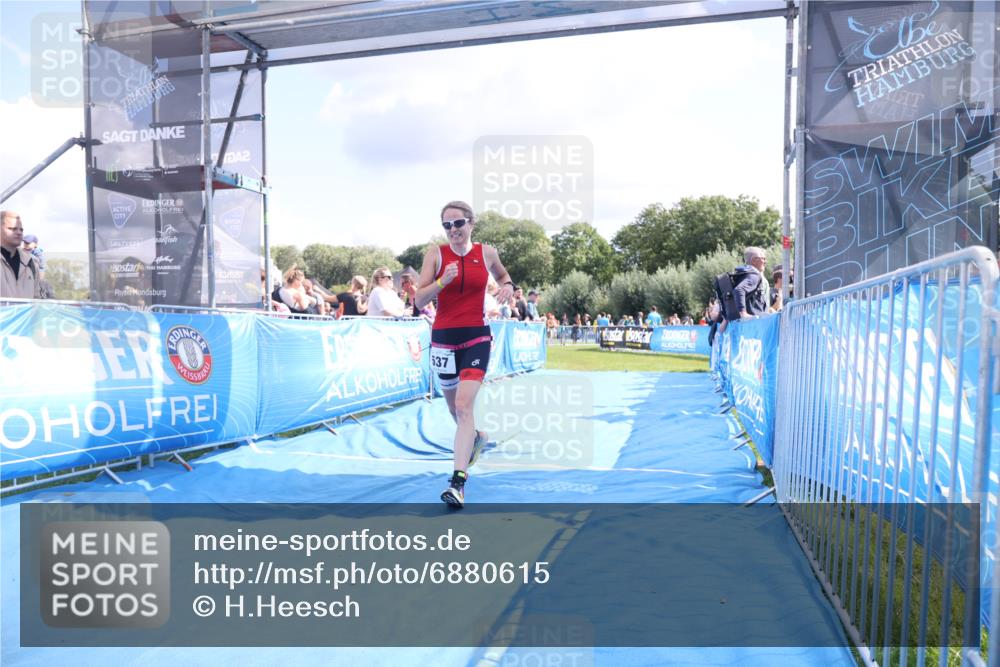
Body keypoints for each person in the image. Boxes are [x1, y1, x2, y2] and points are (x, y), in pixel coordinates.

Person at [414, 200, 514, 508]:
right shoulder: (436, 255)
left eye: (458, 223)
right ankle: (477, 438)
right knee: (456, 412)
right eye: (447, 225)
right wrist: (442, 282)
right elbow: (419, 301)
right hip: (443, 337)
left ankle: (457, 483)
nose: (453, 230)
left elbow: (503, 276)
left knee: (463, 405)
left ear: (471, 223)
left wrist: (507, 286)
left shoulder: (487, 253)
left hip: (476, 336)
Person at [1, 210, 44, 299]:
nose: (19, 232)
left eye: (21, 229)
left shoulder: (31, 262)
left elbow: (37, 300)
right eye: (12, 228)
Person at [735, 246, 769, 319]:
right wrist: (743, 313)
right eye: (763, 259)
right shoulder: (754, 274)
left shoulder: (741, 274)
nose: (765, 262)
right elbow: (739, 290)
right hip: (753, 322)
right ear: (754, 260)